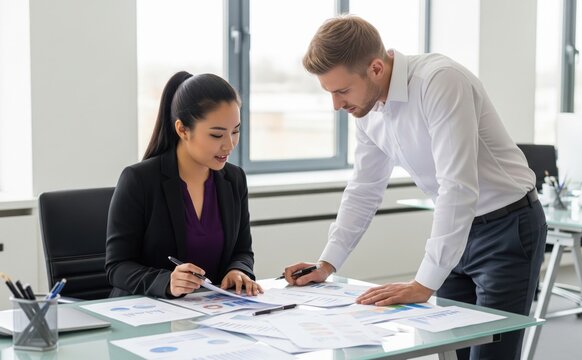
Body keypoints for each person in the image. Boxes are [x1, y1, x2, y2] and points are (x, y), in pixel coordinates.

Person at [283, 16, 546, 360]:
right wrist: (327, 263)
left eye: (342, 91)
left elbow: (457, 185)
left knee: (491, 354)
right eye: (330, 93)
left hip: (507, 229)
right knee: (452, 350)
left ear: (376, 68)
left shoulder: (439, 81)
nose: (336, 105)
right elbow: (364, 189)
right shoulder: (366, 109)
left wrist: (423, 283)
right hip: (455, 230)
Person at [106, 71, 262, 299]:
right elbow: (117, 267)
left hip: (208, 313)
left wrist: (237, 269)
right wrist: (167, 282)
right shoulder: (139, 180)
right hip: (148, 314)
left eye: (235, 131)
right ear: (182, 129)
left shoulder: (234, 179)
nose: (229, 145)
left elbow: (242, 250)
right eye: (217, 135)